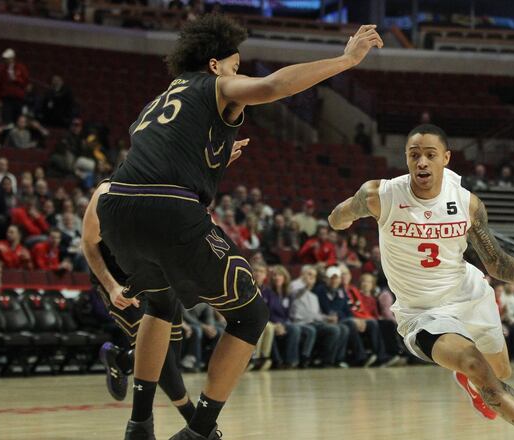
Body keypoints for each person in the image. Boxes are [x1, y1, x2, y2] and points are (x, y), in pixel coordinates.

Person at [94, 15, 383, 440]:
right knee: (251, 315)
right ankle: (200, 431)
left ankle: (139, 425)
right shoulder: (214, 84)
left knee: (159, 304)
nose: (236, 72)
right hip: (167, 208)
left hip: (116, 208)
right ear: (214, 65)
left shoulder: (155, 104)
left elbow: (156, 157)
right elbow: (271, 87)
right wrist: (345, 60)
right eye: (234, 65)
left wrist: (208, 163)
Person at [328, 124, 514, 439]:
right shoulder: (380, 195)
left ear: (446, 158)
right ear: (407, 159)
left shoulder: (468, 203)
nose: (422, 162)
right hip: (423, 313)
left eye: (430, 155)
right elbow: (336, 217)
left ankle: (469, 380)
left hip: (471, 295)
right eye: (414, 155)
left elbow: (496, 263)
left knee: (501, 371)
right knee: (475, 365)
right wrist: (343, 218)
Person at [81, 181, 195, 426]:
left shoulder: (171, 196)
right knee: (161, 358)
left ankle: (121, 360)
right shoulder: (106, 194)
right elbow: (88, 243)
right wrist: (112, 288)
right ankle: (195, 421)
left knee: (169, 357)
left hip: (155, 277)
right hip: (119, 281)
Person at [261, 264, 316, 368]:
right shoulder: (266, 292)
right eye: (274, 275)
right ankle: (290, 361)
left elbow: (290, 311)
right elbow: (265, 313)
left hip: (286, 322)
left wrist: (307, 284)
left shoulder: (287, 293)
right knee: (295, 329)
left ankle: (305, 359)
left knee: (310, 330)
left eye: (280, 275)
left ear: (285, 277)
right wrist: (276, 325)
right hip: (272, 323)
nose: (277, 277)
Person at [0, 48, 29, 124]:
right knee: (7, 120)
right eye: (5, 59)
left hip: (18, 98)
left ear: (13, 58)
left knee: (17, 120)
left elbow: (25, 82)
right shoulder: (1, 70)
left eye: (8, 59)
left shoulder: (21, 68)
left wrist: (16, 79)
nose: (6, 60)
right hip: (6, 99)